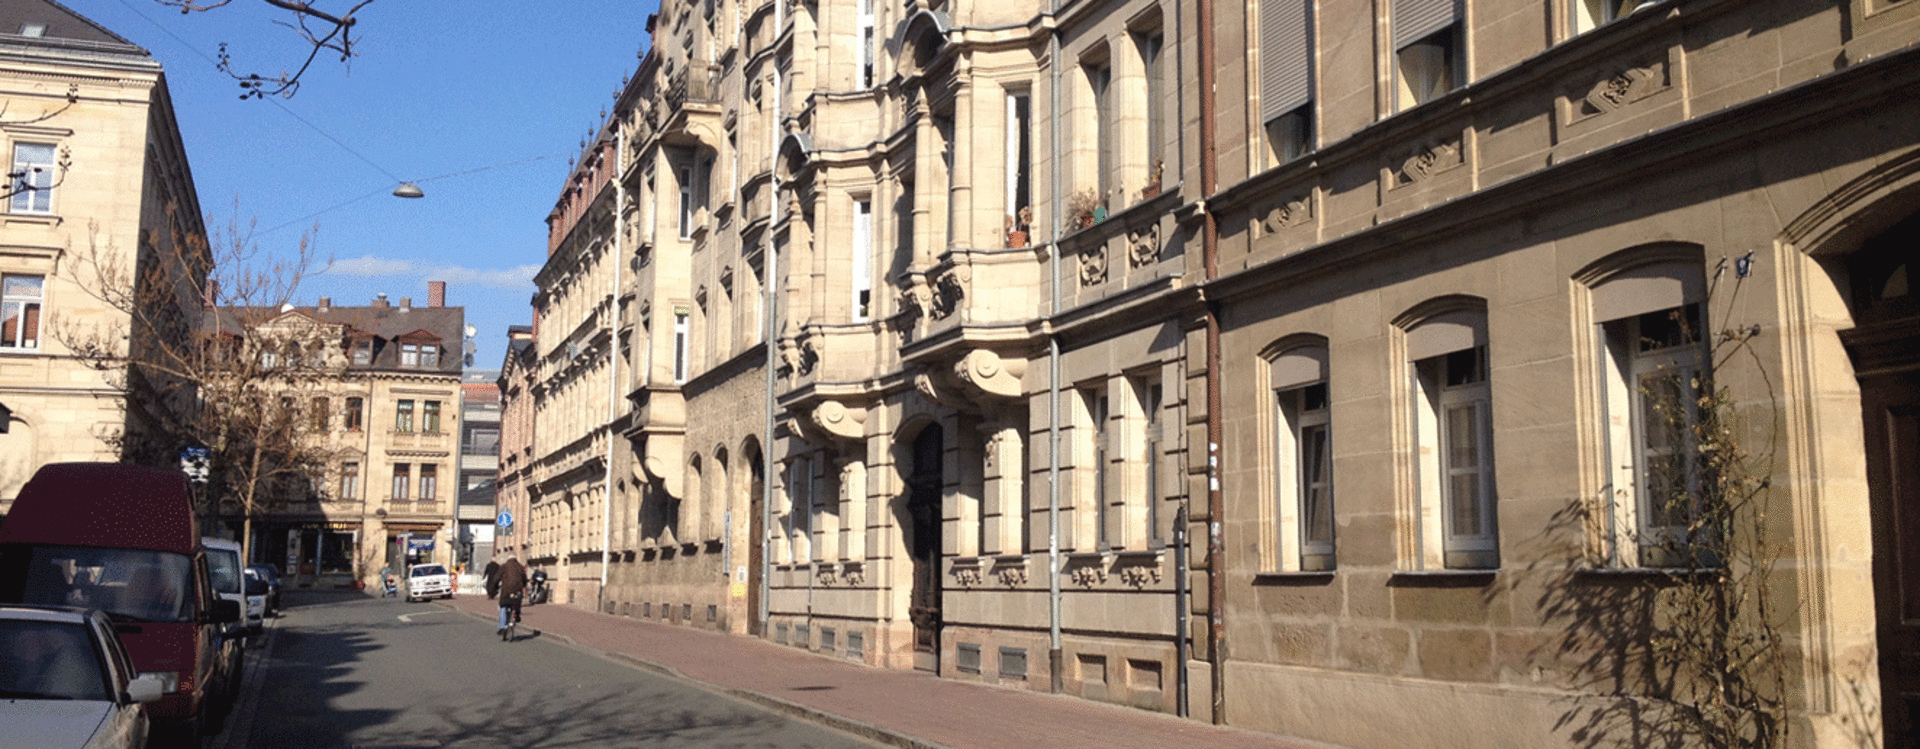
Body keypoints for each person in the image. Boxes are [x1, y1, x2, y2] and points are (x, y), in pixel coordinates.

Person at [495, 555, 526, 641]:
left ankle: (502, 626)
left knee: (503, 606)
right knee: (517, 603)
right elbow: (524, 579)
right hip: (517, 591)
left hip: (506, 591)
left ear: (508, 559)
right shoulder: (520, 567)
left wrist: (495, 586)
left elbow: (497, 578)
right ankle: (517, 615)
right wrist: (523, 585)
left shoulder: (504, 566)